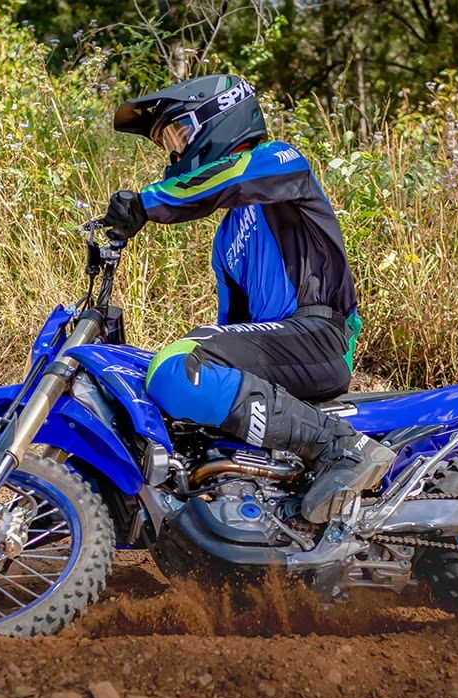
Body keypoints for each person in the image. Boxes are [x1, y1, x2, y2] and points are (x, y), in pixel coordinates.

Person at [99, 74, 393, 525]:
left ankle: (343, 448)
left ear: (220, 120)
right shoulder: (226, 239)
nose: (175, 154)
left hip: (318, 334)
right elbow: (232, 329)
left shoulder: (280, 162)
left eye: (178, 135)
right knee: (182, 382)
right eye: (167, 144)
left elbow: (232, 177)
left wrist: (146, 203)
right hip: (280, 346)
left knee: (179, 365)